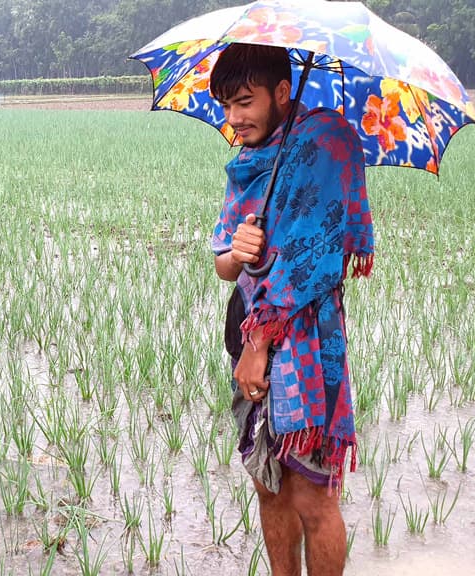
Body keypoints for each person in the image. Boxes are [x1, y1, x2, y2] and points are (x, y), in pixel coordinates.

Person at [209, 44, 374, 576]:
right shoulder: (251, 164)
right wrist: (238, 250)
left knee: (311, 496)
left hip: (301, 339)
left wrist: (259, 347)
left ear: (283, 92)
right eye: (226, 106)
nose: (234, 119)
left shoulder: (325, 144)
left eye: (244, 102)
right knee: (268, 484)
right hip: (248, 330)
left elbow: (314, 260)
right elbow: (224, 267)